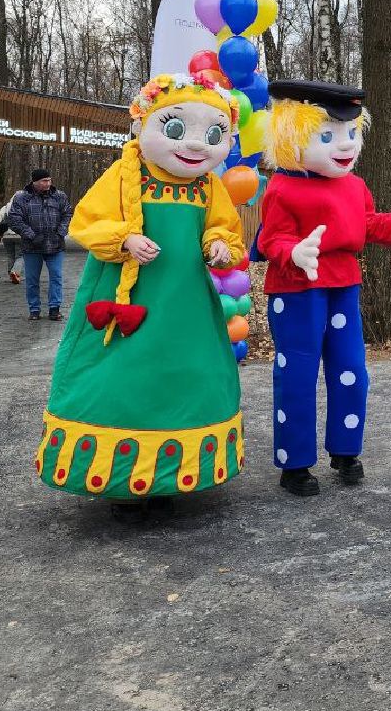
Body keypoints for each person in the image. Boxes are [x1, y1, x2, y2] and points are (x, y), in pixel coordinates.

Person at [35, 74, 246, 519]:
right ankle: (120, 481)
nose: (196, 145)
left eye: (213, 135)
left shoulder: (209, 187)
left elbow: (223, 228)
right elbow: (87, 222)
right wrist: (125, 239)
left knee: (183, 377)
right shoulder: (125, 174)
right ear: (144, 125)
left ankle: (171, 476)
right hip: (129, 297)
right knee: (121, 377)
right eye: (175, 129)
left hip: (185, 304)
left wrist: (220, 246)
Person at [257, 79, 391, 497]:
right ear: (293, 137)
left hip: (344, 285)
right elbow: (270, 240)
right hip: (296, 291)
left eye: (351, 134)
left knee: (350, 372)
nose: (344, 146)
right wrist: (295, 252)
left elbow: (365, 224)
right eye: (327, 136)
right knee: (299, 375)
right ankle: (295, 463)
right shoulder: (283, 188)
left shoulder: (353, 185)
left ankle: (346, 451)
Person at [8, 168, 73, 321]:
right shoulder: (22, 198)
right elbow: (15, 219)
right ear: (35, 182)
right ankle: (34, 309)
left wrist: (61, 232)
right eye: (44, 181)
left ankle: (54, 309)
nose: (48, 183)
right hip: (32, 247)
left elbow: (67, 214)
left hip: (55, 245)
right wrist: (31, 235)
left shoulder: (59, 196)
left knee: (56, 277)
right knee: (32, 280)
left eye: (49, 180)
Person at [0, 200, 23, 283]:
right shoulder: (24, 207)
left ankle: (11, 273)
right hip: (19, 235)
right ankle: (15, 272)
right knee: (20, 255)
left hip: (6, 235)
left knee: (10, 255)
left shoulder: (5, 208)